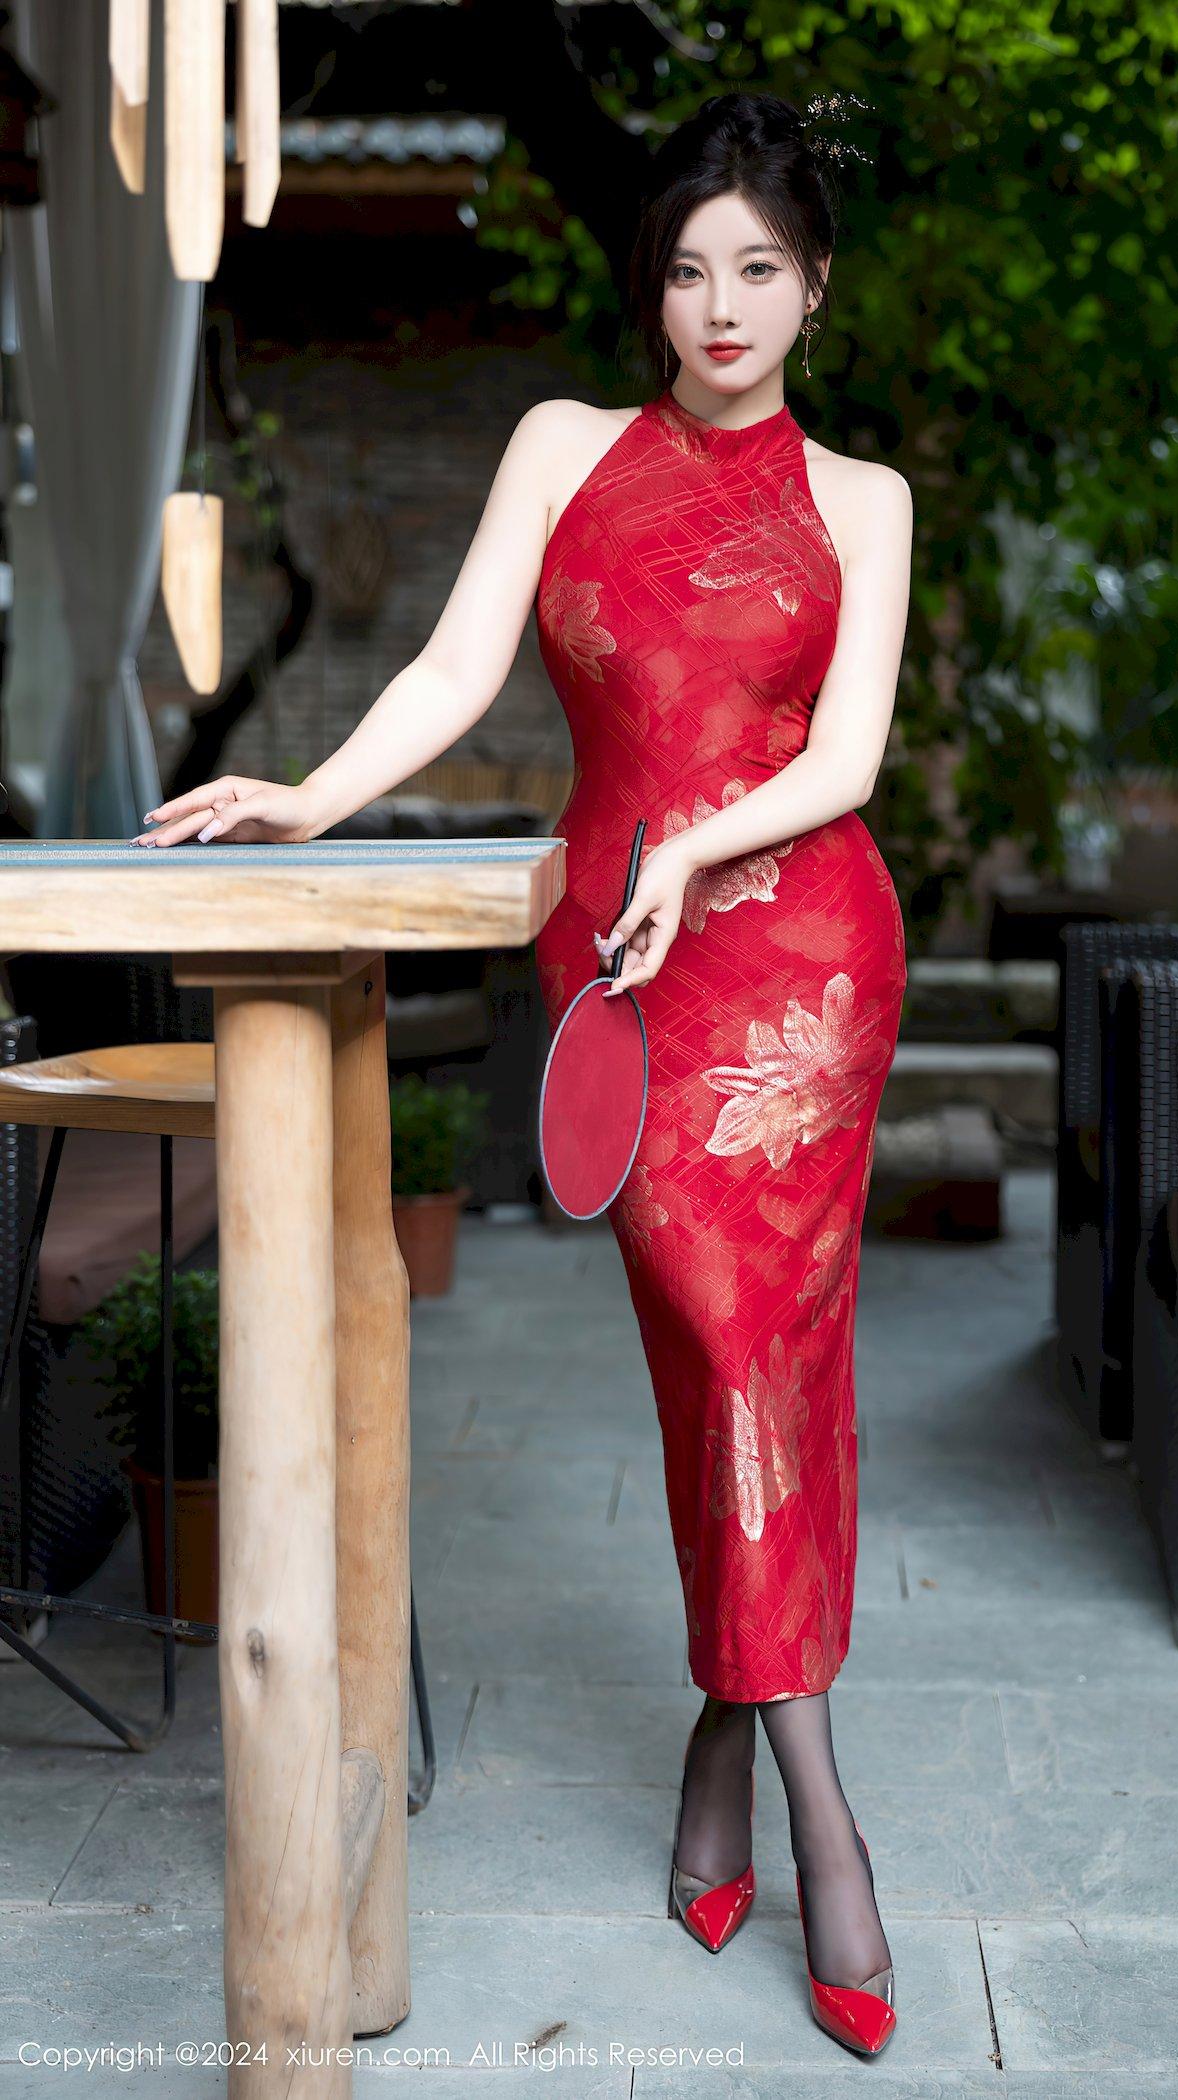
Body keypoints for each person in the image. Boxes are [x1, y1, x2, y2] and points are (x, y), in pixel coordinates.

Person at [135, 88, 913, 2061]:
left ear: (813, 289)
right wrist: (309, 797)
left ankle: (792, 1786)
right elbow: (454, 666)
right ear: (652, 290)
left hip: (801, 966)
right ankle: (752, 1744)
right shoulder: (565, 448)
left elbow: (847, 761)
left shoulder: (865, 501)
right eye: (689, 270)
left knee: (769, 1354)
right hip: (622, 968)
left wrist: (693, 848)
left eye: (758, 270)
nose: (720, 305)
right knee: (707, 1347)